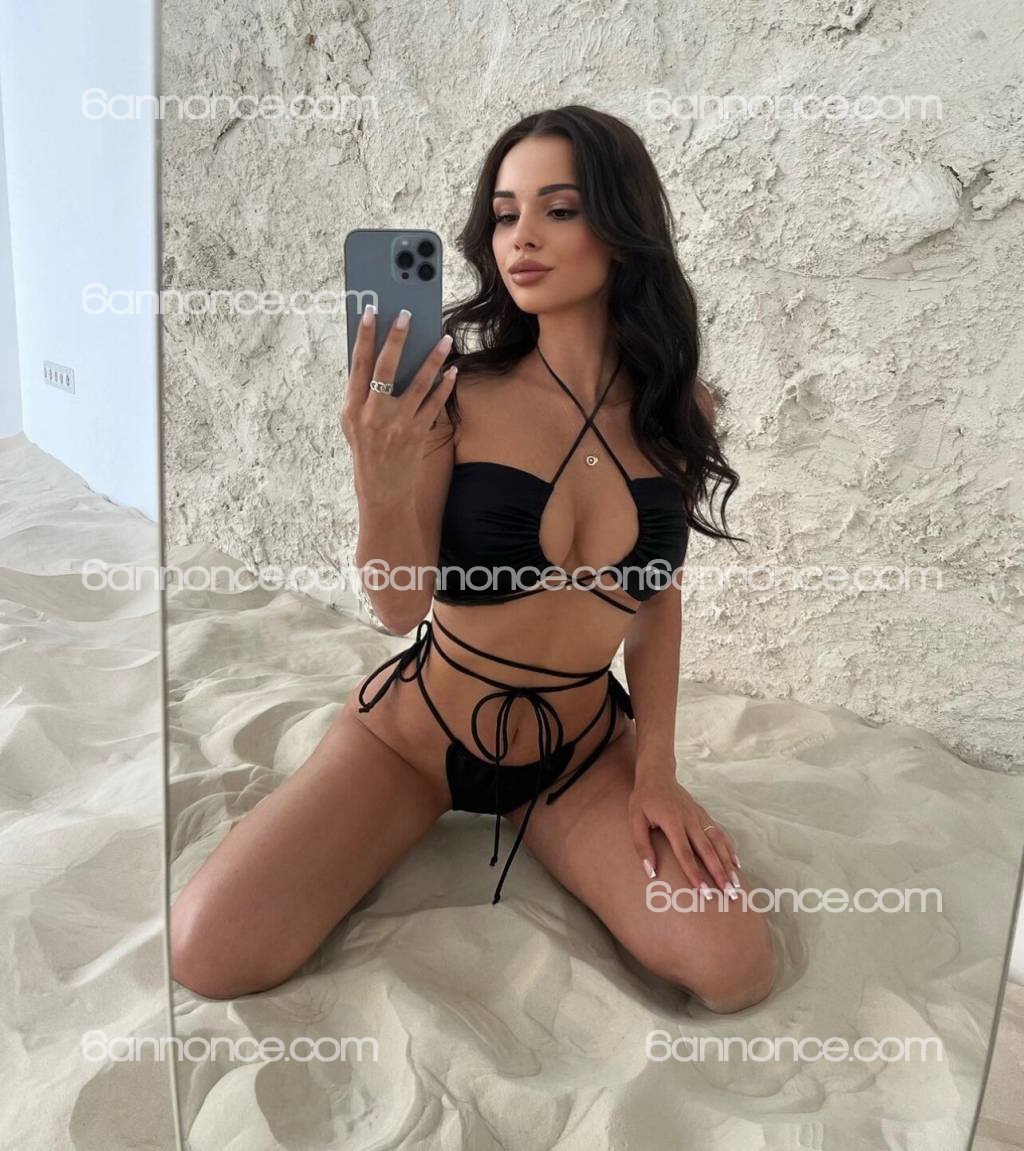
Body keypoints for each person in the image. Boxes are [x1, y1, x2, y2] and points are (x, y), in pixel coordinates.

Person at [171, 105, 775, 1012]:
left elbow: (656, 603)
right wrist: (377, 480)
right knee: (209, 951)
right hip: (417, 739)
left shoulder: (680, 411)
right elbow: (397, 607)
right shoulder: (459, 393)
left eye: (558, 210)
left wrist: (656, 771)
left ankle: (534, 821)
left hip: (577, 754)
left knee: (734, 967)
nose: (520, 237)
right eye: (503, 214)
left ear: (624, 228)